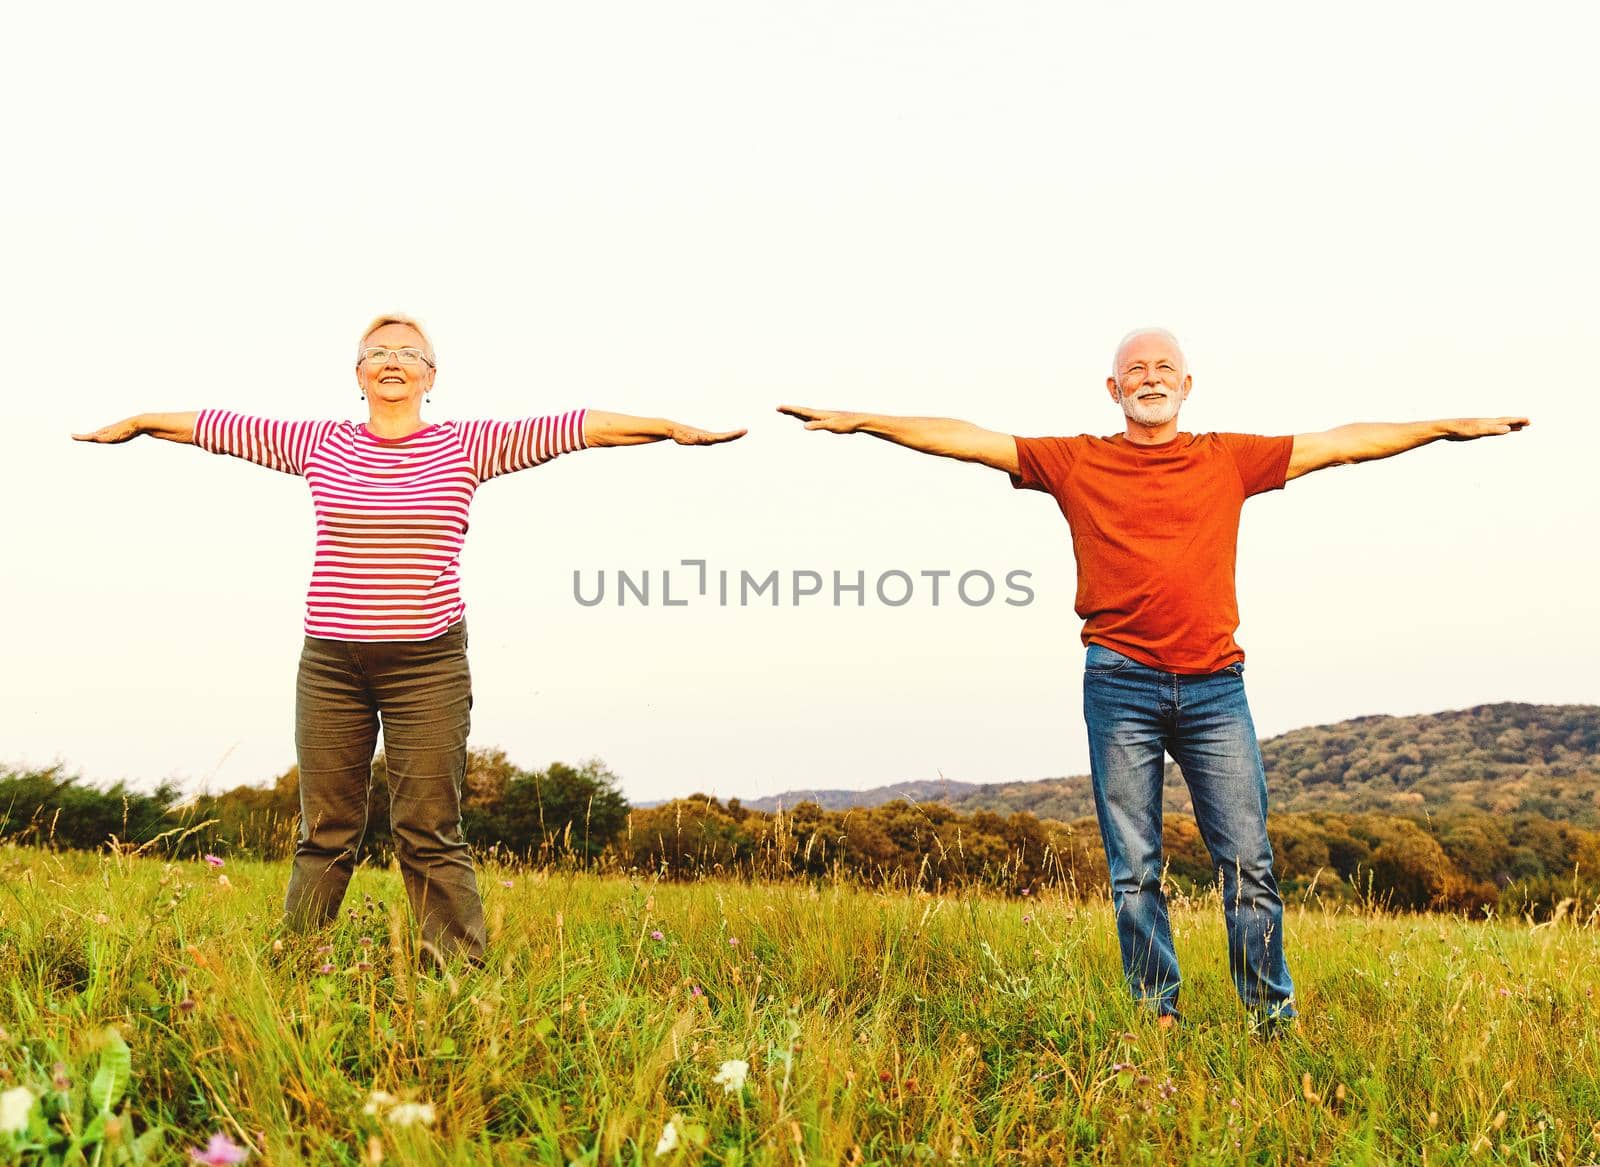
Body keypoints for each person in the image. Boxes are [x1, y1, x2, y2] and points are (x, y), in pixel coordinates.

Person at [779, 328, 1526, 1032]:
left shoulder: (1228, 457)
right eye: (1135, 369)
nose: (1150, 377)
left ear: (1188, 384)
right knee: (1134, 867)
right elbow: (969, 439)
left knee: (1249, 863)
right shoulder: (1076, 461)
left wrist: (1448, 426)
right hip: (1119, 683)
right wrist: (861, 420)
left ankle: (1270, 1016)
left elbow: (1344, 445)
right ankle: (1156, 1012)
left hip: (1215, 690)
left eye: (1164, 367)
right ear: (1112, 387)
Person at [74, 313, 745, 965]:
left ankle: (454, 975)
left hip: (427, 663)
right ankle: (301, 963)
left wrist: (668, 429)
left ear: (431, 376)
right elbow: (216, 427)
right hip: (331, 665)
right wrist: (138, 423)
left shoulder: (466, 446)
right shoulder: (318, 443)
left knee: (427, 827)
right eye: (378, 351)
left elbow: (577, 427)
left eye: (409, 353)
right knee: (325, 829)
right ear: (359, 373)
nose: (393, 359)